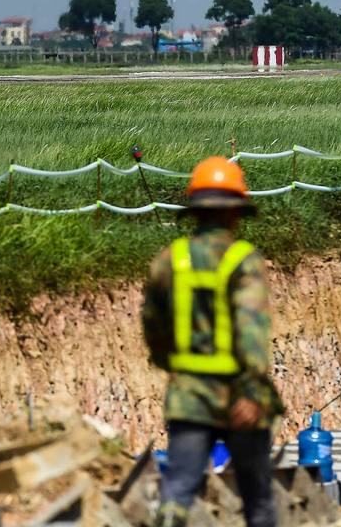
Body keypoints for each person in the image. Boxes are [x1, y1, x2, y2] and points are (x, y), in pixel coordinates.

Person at [141, 157, 286, 527]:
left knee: (178, 487)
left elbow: (153, 326)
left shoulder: (169, 259)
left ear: (195, 211)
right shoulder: (243, 260)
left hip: (189, 395)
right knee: (257, 496)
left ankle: (169, 518)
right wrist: (252, 390)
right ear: (236, 212)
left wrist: (173, 367)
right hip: (239, 395)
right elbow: (251, 329)